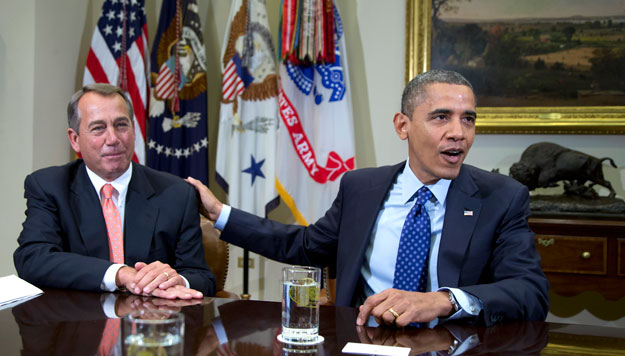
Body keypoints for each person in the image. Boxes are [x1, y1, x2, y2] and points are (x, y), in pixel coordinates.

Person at [186, 70, 549, 326]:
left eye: (468, 120)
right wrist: (221, 214)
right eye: (441, 118)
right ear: (402, 125)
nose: (459, 133)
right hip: (360, 341)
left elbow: (529, 292)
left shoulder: (501, 198)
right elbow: (306, 246)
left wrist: (443, 300)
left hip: (450, 345)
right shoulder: (362, 188)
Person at [14, 83, 215, 299]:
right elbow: (33, 259)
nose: (113, 139)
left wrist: (174, 280)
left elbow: (201, 278)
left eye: (121, 125)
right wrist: (119, 273)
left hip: (149, 325)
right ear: (75, 139)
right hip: (79, 324)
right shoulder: (49, 186)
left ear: (133, 130)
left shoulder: (176, 193)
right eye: (98, 128)